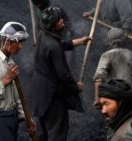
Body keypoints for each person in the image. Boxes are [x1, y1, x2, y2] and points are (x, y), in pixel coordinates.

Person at [29, 7, 92, 141]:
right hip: (53, 96)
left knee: (41, 133)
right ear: (52, 26)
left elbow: (57, 45)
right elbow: (63, 74)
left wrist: (78, 41)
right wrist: (76, 86)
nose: (62, 21)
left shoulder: (43, 35)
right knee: (57, 133)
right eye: (59, 20)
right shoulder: (54, 47)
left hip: (39, 93)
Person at [0, 21, 36, 141]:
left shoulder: (10, 62)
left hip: (9, 121)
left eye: (22, 42)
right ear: (6, 40)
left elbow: (15, 96)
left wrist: (26, 117)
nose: (21, 46)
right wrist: (6, 79)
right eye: (18, 42)